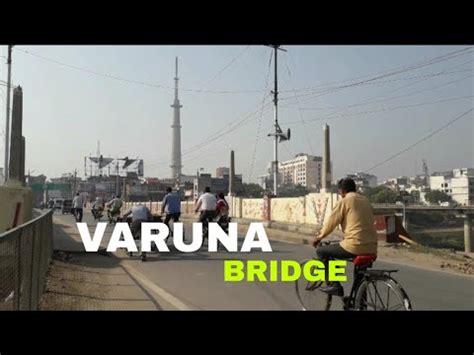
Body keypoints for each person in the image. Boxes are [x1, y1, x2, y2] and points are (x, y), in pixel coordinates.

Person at [312, 178, 378, 296]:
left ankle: (334, 285)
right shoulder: (365, 200)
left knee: (322, 252)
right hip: (372, 247)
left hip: (354, 246)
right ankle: (360, 304)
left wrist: (319, 237)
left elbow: (331, 222)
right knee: (360, 276)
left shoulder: (345, 201)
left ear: (342, 191)